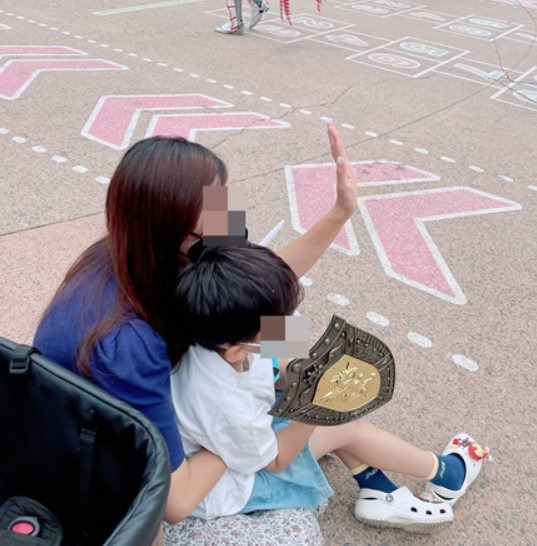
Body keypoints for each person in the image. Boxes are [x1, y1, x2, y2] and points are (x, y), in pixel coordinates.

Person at [32, 121, 360, 528]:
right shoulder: (129, 346)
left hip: (142, 406)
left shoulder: (130, 256)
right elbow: (177, 502)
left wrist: (340, 213)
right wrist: (233, 434)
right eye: (218, 206)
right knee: (329, 400)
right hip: (107, 469)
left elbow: (251, 291)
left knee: (299, 352)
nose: (231, 217)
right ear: (172, 225)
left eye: (228, 197)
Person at [171, 242, 490, 531]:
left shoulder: (210, 337)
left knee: (328, 402)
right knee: (343, 424)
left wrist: (305, 375)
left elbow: (267, 368)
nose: (284, 330)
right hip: (234, 485)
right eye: (273, 328)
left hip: (234, 444)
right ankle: (448, 476)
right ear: (238, 349)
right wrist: (316, 405)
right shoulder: (228, 406)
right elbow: (276, 459)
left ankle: (376, 486)